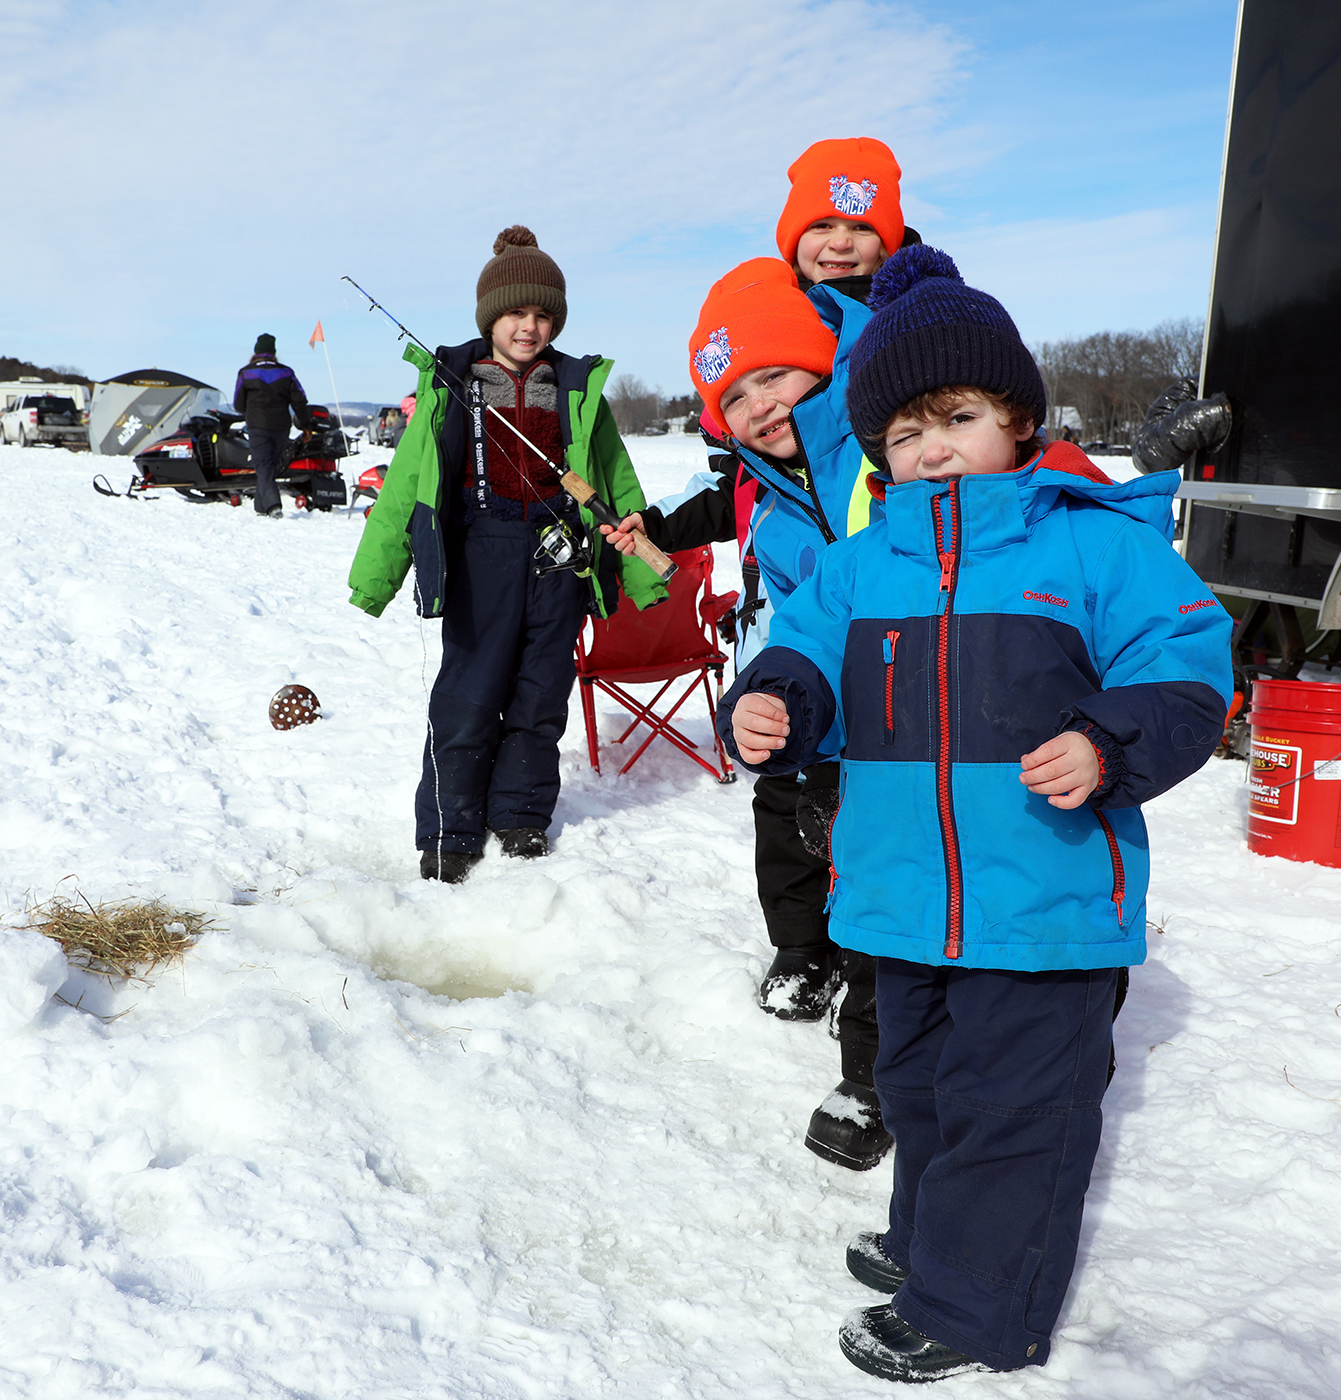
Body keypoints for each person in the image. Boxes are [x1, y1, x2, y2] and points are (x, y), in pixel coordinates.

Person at [715, 245, 1233, 1382]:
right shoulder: (857, 567)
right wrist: (773, 703)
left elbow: (1189, 666)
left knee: (1016, 1111)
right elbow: (800, 655)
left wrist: (1108, 741)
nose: (931, 445)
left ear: (1018, 417)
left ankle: (975, 1308)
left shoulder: (1092, 543)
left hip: (1043, 906)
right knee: (920, 1087)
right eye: (902, 434)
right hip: (901, 903)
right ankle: (928, 1243)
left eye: (956, 414)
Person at [599, 138, 909, 1173]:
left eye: (780, 376)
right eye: (739, 394)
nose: (765, 401)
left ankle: (873, 1071)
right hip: (809, 671)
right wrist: (654, 530)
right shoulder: (761, 473)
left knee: (885, 862)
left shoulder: (893, 399)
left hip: (916, 689)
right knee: (791, 818)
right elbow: (740, 500)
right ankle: (801, 951)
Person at [349, 225, 667, 882]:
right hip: (482, 552)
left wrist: (641, 565)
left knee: (541, 695)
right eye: (517, 313)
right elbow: (408, 484)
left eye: (543, 314)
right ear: (491, 316)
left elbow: (616, 480)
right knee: (469, 693)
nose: (530, 326)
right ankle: (450, 828)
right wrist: (376, 577)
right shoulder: (454, 384)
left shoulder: (574, 387)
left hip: (561, 557)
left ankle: (521, 817)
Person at [233, 333, 310, 517]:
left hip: (257, 426)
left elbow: (238, 404)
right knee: (269, 466)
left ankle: (273, 505)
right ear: (274, 352)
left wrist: (250, 412)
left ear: (256, 351)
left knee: (264, 466)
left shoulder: (246, 372)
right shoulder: (286, 372)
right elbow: (300, 400)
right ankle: (261, 508)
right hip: (281, 427)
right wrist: (306, 425)